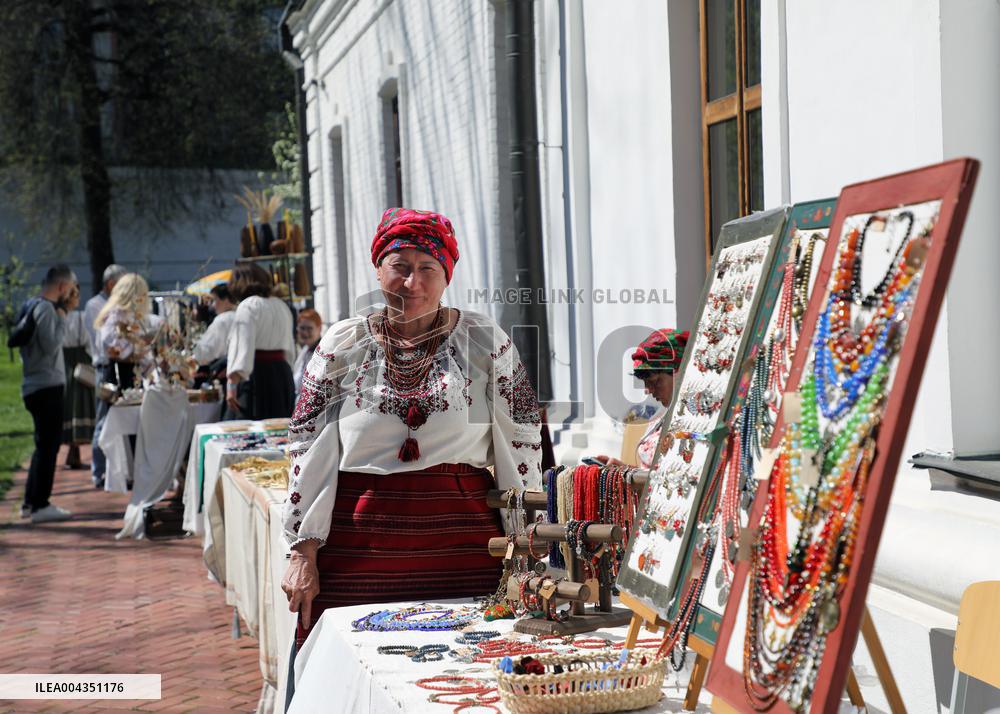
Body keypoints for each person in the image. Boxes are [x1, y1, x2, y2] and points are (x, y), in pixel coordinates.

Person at [280, 207, 544, 650]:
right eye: (399, 267)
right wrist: (301, 549)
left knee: (468, 663)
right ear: (378, 269)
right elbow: (308, 445)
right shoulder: (342, 345)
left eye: (428, 269)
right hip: (357, 548)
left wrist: (526, 544)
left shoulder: (484, 341)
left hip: (462, 545)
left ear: (447, 276)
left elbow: (522, 443)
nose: (412, 282)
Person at [19, 264, 78, 522]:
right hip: (45, 386)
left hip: (36, 385)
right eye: (72, 288)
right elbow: (52, 345)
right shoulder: (45, 308)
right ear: (62, 287)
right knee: (49, 446)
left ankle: (30, 502)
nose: (73, 294)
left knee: (43, 445)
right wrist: (64, 314)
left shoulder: (30, 304)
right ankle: (41, 505)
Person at [595, 328, 688, 469]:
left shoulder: (693, 423)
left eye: (655, 381)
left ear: (677, 373)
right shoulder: (661, 418)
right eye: (645, 383)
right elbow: (654, 476)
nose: (648, 390)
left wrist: (629, 475)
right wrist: (624, 470)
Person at [224, 263, 296, 420]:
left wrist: (232, 384)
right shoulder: (281, 305)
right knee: (279, 429)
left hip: (257, 376)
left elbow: (242, 346)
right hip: (282, 374)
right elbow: (289, 349)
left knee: (250, 430)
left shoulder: (248, 306)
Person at [85, 263, 127, 489]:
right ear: (111, 284)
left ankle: (117, 470)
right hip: (104, 367)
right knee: (103, 419)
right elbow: (102, 339)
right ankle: (98, 471)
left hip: (118, 366)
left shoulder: (115, 305)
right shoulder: (95, 306)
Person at [94, 273, 160, 397]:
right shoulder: (115, 316)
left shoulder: (126, 316)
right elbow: (116, 351)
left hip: (128, 375)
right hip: (118, 377)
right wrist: (138, 346)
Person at [61, 287, 95, 469]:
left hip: (64, 365)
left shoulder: (58, 317)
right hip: (80, 363)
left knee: (68, 406)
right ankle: (74, 452)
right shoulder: (81, 318)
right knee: (79, 405)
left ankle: (72, 451)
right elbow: (89, 343)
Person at [192, 283, 237, 369]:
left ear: (225, 300)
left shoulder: (222, 319)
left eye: (214, 300)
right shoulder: (241, 315)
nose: (212, 306)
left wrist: (195, 355)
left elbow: (207, 352)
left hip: (223, 369)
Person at [292, 308, 322, 397]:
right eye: (302, 328)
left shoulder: (322, 353)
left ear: (319, 328)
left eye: (309, 328)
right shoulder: (305, 350)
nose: (305, 332)